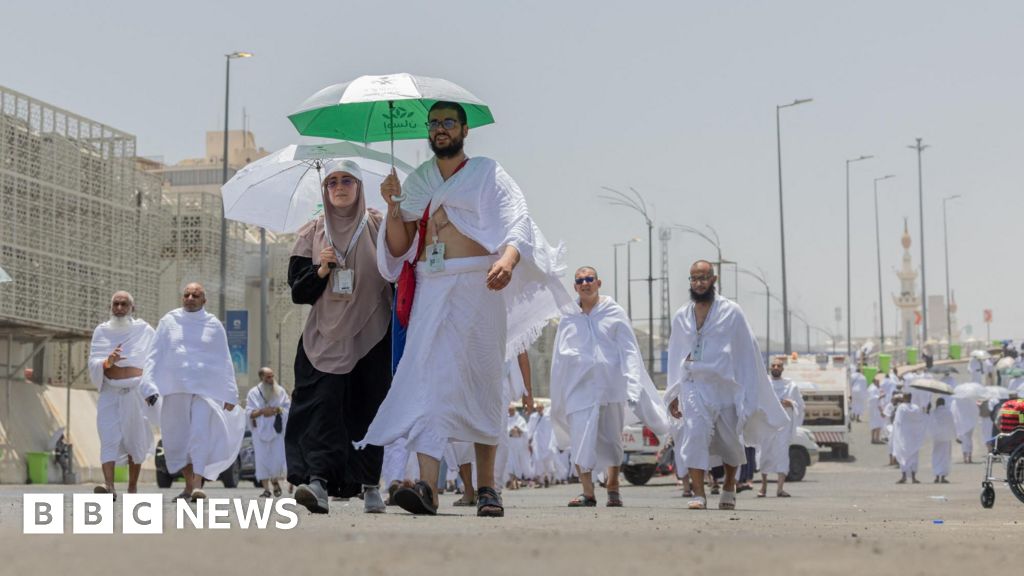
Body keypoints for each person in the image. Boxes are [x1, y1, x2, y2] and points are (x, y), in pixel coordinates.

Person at [355, 101, 573, 517]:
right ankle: (427, 488)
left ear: (464, 129)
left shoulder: (489, 173)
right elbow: (399, 249)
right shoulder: (417, 181)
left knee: (482, 382)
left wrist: (507, 261)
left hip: (479, 284)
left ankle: (488, 488)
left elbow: (518, 220)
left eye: (448, 123)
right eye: (434, 123)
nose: (440, 129)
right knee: (426, 383)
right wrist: (395, 208)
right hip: (432, 289)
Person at [286, 159, 393, 515]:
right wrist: (321, 269)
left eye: (347, 180)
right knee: (323, 412)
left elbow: (398, 269)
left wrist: (396, 207)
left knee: (367, 410)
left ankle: (370, 485)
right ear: (325, 190)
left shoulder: (378, 224)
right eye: (332, 182)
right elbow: (299, 292)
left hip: (371, 336)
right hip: (325, 339)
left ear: (359, 187)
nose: (339, 187)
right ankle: (317, 482)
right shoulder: (312, 232)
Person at [666, 260, 788, 510]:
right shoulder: (681, 316)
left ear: (714, 279)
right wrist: (674, 393)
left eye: (703, 278)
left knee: (731, 442)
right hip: (694, 385)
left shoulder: (731, 312)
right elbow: (675, 354)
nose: (698, 283)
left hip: (726, 387)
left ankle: (730, 485)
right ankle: (698, 494)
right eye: (694, 278)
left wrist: (748, 391)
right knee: (694, 433)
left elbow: (747, 352)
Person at [549, 266, 667, 508]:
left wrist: (633, 382)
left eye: (589, 279)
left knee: (611, 440)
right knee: (581, 438)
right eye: (580, 280)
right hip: (578, 389)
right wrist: (559, 389)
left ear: (598, 283)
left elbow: (629, 350)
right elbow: (558, 357)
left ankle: (613, 486)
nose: (585, 283)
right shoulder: (568, 316)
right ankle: (587, 492)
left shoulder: (613, 311)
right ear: (575, 286)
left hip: (609, 387)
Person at [142, 283, 244, 502]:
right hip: (175, 390)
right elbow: (154, 355)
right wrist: (148, 385)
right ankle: (189, 486)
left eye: (195, 295)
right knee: (178, 441)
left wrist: (230, 393)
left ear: (203, 300)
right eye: (186, 295)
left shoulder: (214, 325)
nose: (189, 298)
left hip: (205, 391)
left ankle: (197, 484)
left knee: (199, 435)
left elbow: (224, 359)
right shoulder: (169, 322)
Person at [87, 291, 159, 499]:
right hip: (110, 391)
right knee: (107, 437)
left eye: (124, 304)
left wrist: (150, 389)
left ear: (132, 308)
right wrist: (107, 362)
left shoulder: (144, 331)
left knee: (134, 440)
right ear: (110, 307)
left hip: (135, 392)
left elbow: (154, 361)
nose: (119, 308)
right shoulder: (101, 331)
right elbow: (93, 362)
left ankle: (132, 487)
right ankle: (109, 486)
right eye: (115, 304)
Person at [758, 357, 804, 498]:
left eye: (779, 366)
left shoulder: (791, 386)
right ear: (770, 368)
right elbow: (757, 401)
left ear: (783, 369)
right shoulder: (764, 384)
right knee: (764, 454)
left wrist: (791, 403)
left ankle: (780, 488)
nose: (776, 368)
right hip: (768, 424)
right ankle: (763, 487)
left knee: (782, 455)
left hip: (783, 427)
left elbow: (800, 404)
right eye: (774, 365)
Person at [246, 367, 290, 498]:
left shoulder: (280, 391)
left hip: (276, 431)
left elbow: (287, 407)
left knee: (277, 459)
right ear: (262, 378)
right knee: (262, 460)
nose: (271, 379)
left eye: (272, 376)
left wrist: (277, 410)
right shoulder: (253, 393)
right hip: (259, 432)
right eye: (268, 377)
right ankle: (266, 489)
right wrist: (261, 412)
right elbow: (249, 412)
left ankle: (275, 480)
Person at [892, 393, 927, 484]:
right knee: (913, 456)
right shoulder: (916, 407)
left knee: (903, 454)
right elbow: (920, 419)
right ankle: (914, 477)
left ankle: (904, 476)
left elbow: (897, 421)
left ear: (904, 398)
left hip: (904, 435)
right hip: (914, 435)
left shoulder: (901, 407)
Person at [951, 382, 979, 463]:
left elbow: (953, 413)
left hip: (961, 423)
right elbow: (976, 411)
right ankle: (969, 457)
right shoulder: (971, 401)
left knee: (964, 441)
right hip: (970, 424)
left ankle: (964, 458)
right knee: (969, 440)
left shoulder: (955, 402)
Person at [929, 397, 955, 483]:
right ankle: (943, 477)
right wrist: (955, 435)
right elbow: (952, 424)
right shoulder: (948, 412)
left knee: (936, 455)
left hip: (937, 438)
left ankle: (936, 476)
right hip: (946, 438)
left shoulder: (934, 412)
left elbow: (930, 423)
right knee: (945, 457)